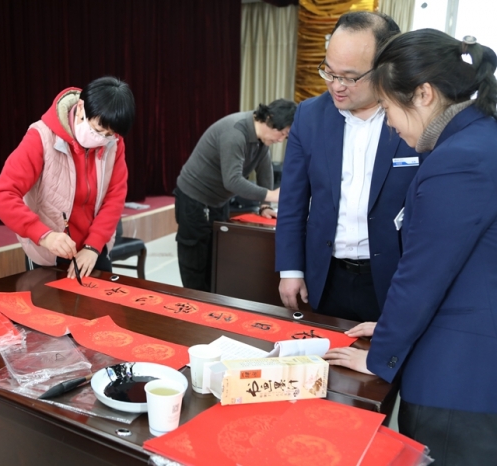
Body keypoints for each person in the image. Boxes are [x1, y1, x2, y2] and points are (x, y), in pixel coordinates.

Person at [324, 29, 497, 465]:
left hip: (461, 377)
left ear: (423, 94)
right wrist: (387, 327)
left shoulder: (458, 160)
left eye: (387, 107)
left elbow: (423, 275)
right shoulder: (481, 139)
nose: (389, 123)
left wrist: (379, 356)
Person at [275, 11, 419, 322]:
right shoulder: (309, 116)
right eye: (329, 72)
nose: (336, 86)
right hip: (327, 275)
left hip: (394, 277)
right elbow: (292, 201)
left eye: (350, 77)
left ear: (384, 68)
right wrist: (291, 270)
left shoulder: (413, 118)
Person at [0, 76, 135, 279]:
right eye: (98, 130)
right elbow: (3, 195)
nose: (102, 139)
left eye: (109, 134)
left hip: (92, 249)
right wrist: (44, 236)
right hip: (49, 250)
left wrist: (93, 246)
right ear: (81, 108)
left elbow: (114, 197)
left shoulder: (113, 142)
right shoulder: (41, 137)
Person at [174, 99, 297, 291]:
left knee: (217, 256)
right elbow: (232, 181)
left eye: (286, 137)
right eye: (281, 133)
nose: (281, 140)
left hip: (219, 200)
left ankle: (212, 301)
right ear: (270, 119)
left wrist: (265, 205)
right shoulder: (236, 132)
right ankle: (195, 302)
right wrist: (272, 195)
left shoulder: (261, 137)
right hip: (194, 197)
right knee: (195, 258)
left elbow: (264, 170)